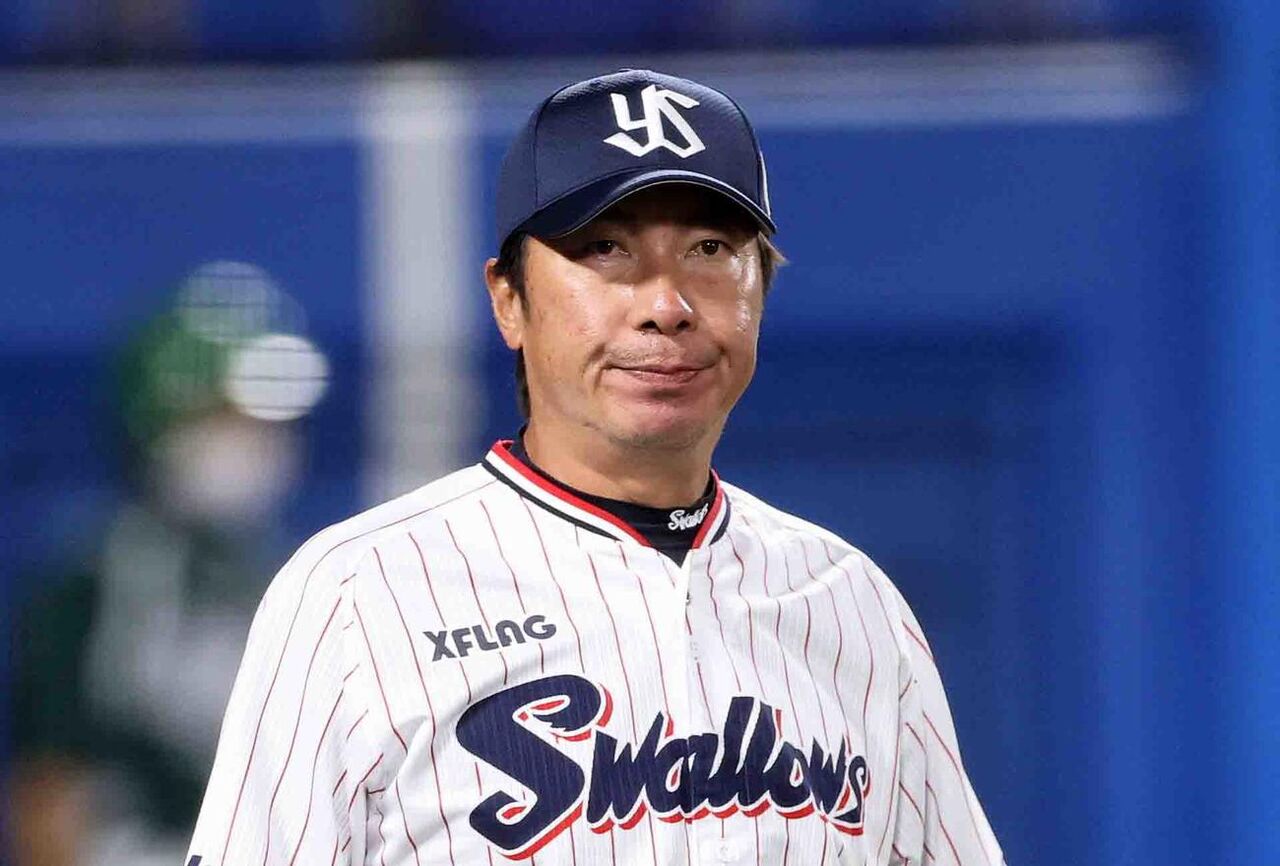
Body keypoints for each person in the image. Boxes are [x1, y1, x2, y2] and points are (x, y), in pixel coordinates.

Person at [185, 69, 1005, 866]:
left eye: (710, 248)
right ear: (509, 299)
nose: (666, 306)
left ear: (761, 287)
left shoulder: (853, 604)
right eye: (606, 249)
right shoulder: (359, 594)